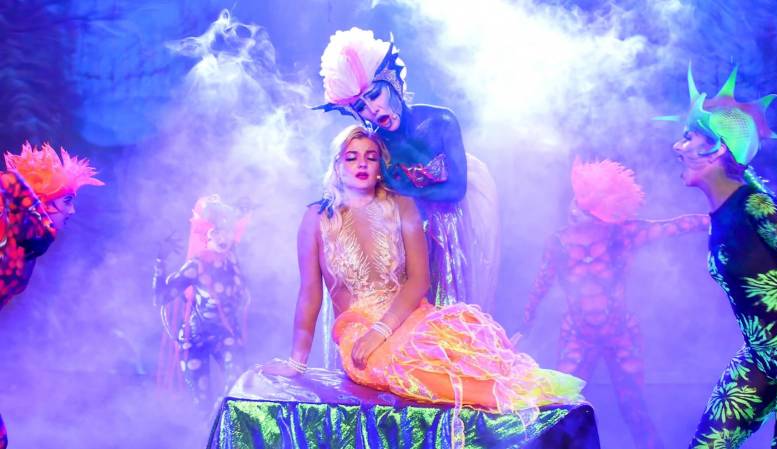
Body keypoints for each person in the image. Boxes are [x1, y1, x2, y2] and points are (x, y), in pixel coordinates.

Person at [259, 125, 583, 445]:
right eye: (351, 157)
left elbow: (419, 280)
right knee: (386, 365)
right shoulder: (317, 217)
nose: (361, 164)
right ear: (336, 165)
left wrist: (382, 330)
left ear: (380, 166)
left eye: (370, 157)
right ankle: (510, 398)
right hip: (358, 329)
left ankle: (529, 398)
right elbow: (310, 293)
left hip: (407, 317)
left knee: (462, 354)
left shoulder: (401, 205)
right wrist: (296, 362)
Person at [516, 157, 708, 449]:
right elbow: (540, 286)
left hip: (620, 334)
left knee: (634, 409)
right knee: (559, 407)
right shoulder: (559, 243)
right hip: (577, 335)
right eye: (574, 201)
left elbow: (676, 226)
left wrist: (721, 217)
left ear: (598, 212)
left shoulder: (624, 234)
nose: (573, 209)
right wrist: (524, 326)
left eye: (582, 206)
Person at [314, 28, 499, 309]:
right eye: (361, 107)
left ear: (392, 82)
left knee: (447, 310)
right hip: (402, 238)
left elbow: (456, 189)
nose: (373, 109)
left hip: (448, 231)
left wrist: (401, 189)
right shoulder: (375, 145)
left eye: (375, 94)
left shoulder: (440, 121)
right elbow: (362, 190)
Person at [663, 65, 777, 448]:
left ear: (716, 148)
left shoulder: (757, 206)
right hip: (761, 356)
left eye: (688, 137)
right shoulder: (725, 213)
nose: (677, 147)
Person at [0, 141, 103, 449]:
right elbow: (8, 183)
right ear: (41, 202)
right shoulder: (8, 232)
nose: (72, 210)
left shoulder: (29, 242)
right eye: (66, 200)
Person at [152, 195, 251, 408]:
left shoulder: (232, 259)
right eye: (216, 232)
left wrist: (240, 210)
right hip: (195, 338)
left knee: (237, 389)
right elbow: (161, 298)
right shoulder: (196, 266)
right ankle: (210, 423)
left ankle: (225, 422)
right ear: (205, 235)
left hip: (226, 334)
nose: (223, 237)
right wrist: (160, 261)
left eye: (226, 231)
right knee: (203, 405)